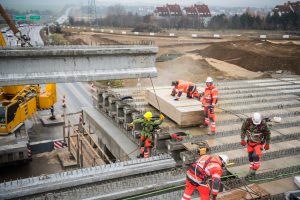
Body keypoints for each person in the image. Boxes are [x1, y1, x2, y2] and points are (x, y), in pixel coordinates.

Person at [240, 112, 271, 178]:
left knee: (255, 156)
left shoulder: (263, 123)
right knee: (250, 158)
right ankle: (251, 172)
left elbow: (268, 133)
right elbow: (243, 129)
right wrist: (242, 139)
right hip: (250, 143)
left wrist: (267, 143)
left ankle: (253, 171)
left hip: (259, 143)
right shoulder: (247, 121)